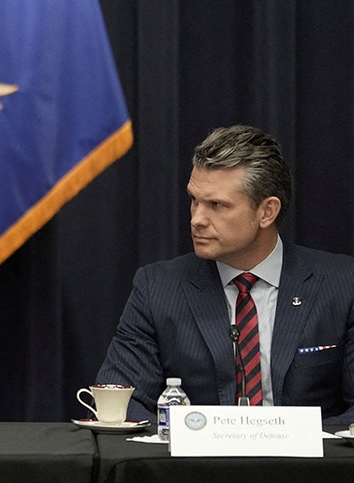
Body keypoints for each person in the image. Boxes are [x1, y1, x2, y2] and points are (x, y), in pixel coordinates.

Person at [95, 124, 354, 425]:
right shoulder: (157, 288)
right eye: (194, 200)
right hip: (192, 469)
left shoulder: (342, 285)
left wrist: (292, 441)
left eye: (217, 205)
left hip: (307, 469)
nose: (197, 219)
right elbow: (120, 404)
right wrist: (191, 441)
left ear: (267, 212)